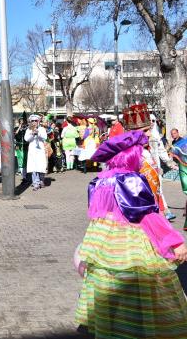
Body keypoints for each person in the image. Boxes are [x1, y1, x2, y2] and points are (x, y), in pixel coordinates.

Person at [75, 130, 187, 337]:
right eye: (140, 152)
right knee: (140, 287)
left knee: (109, 288)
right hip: (130, 242)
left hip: (103, 242)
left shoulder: (98, 181)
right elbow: (147, 216)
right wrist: (176, 242)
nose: (143, 156)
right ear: (132, 156)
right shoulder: (130, 180)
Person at [24, 114, 48, 191]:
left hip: (40, 150)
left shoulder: (42, 129)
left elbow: (45, 137)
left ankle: (41, 180)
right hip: (32, 151)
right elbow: (26, 139)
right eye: (32, 121)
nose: (34, 122)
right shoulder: (28, 130)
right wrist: (32, 134)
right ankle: (35, 183)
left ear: (38, 122)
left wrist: (38, 133)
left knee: (41, 166)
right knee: (33, 167)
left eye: (35, 121)